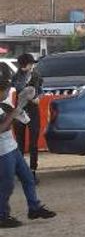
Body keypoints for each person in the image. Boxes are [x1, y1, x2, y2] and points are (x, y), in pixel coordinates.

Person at [0, 67, 55, 228]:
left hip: (11, 148)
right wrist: (15, 113)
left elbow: (16, 121)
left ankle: (34, 207)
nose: (6, 93)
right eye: (4, 90)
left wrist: (20, 113)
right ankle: (2, 215)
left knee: (28, 179)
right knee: (7, 184)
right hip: (3, 152)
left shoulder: (4, 105)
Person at [12, 53, 43, 182]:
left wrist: (38, 98)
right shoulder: (16, 78)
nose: (32, 65)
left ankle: (32, 171)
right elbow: (20, 89)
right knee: (21, 144)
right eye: (31, 63)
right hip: (21, 112)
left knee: (33, 144)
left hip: (32, 112)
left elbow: (40, 91)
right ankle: (22, 171)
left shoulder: (36, 75)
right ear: (25, 65)